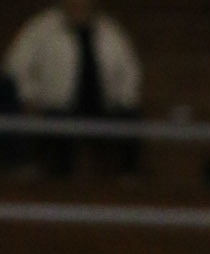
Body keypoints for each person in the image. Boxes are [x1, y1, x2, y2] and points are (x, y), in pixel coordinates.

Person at [4, 0, 141, 176]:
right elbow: (15, 67)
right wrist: (29, 97)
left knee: (130, 118)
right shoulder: (41, 27)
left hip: (103, 107)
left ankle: (128, 177)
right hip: (56, 107)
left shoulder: (109, 30)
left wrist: (126, 99)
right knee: (59, 128)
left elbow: (129, 70)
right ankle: (59, 178)